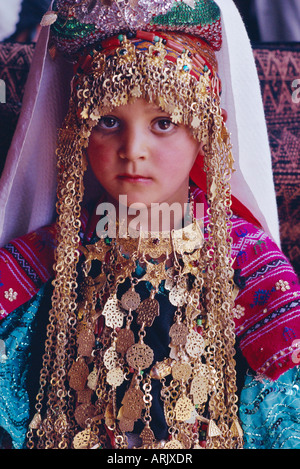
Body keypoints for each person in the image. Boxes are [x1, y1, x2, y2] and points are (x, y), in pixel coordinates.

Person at [0, 0, 299, 450]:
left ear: (205, 131)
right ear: (77, 134)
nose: (133, 148)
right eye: (107, 122)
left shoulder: (247, 262)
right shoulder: (46, 260)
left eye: (163, 122)